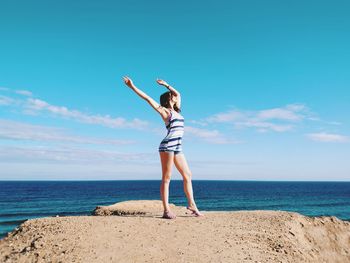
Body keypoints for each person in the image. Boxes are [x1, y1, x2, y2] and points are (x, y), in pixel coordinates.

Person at [122, 76, 204, 219]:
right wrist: (132, 86)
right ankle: (166, 210)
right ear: (168, 100)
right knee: (167, 178)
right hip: (167, 146)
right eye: (171, 96)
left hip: (178, 146)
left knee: (187, 175)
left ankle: (192, 205)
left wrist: (166, 85)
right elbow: (147, 98)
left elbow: (179, 94)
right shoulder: (165, 112)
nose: (174, 96)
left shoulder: (177, 111)